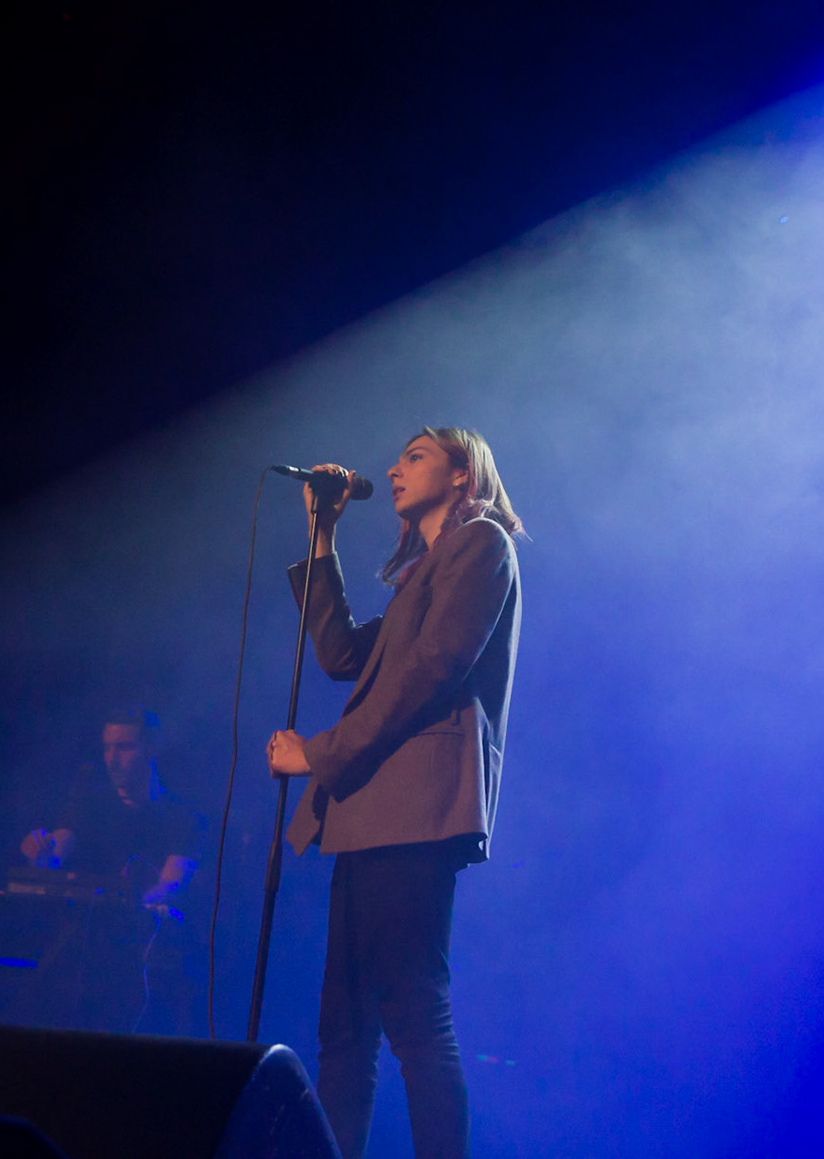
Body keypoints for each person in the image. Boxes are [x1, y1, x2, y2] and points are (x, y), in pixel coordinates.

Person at [265, 426, 523, 1159]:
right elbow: (344, 653)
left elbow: (432, 669)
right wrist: (322, 535)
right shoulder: (424, 576)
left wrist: (318, 753)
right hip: (371, 810)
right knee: (344, 1028)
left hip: (416, 811)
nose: (393, 469)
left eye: (415, 457)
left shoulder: (481, 546)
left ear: (463, 474)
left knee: (413, 1017)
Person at [20, 709, 207, 1033]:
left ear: (151, 749)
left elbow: (172, 884)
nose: (111, 759)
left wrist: (127, 905)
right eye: (107, 748)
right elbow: (56, 854)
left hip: (144, 953)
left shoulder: (183, 818)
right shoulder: (88, 806)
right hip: (80, 948)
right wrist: (41, 854)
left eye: (124, 747)